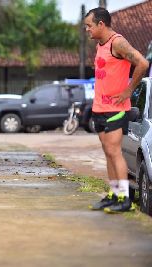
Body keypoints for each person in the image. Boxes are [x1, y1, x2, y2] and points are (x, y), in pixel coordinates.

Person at [85, 8, 149, 212]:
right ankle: (113, 194)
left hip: (116, 109)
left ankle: (124, 199)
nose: (87, 30)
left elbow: (142, 62)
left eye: (89, 26)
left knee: (114, 151)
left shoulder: (117, 42)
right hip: (100, 107)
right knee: (108, 152)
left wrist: (129, 91)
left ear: (101, 24)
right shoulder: (100, 44)